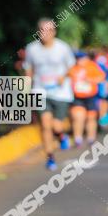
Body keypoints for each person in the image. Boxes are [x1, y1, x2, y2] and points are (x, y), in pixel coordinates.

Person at [24, 18, 76, 170]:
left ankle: (61, 135)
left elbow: (72, 67)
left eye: (49, 30)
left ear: (54, 32)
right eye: (42, 30)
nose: (45, 33)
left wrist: (63, 76)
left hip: (60, 92)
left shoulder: (62, 48)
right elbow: (29, 71)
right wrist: (26, 91)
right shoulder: (31, 49)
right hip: (40, 91)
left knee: (56, 126)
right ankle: (50, 157)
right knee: (45, 126)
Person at [68, 50, 106, 146]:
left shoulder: (92, 66)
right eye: (77, 58)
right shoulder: (73, 68)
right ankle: (78, 138)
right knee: (78, 117)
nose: (79, 60)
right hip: (77, 97)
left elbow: (101, 77)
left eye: (81, 58)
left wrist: (90, 80)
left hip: (91, 96)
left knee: (91, 117)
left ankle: (91, 138)